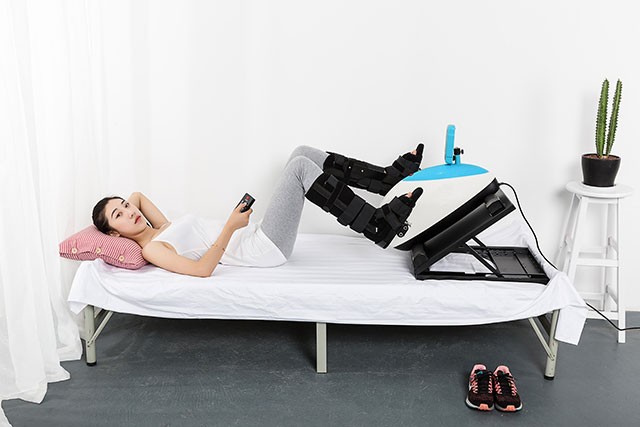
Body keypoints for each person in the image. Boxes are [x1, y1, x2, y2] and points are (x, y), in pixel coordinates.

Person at [92, 145, 424, 277]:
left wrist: (120, 211)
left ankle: (384, 179)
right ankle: (377, 226)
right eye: (119, 215)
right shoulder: (152, 249)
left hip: (254, 234)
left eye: (124, 206)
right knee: (299, 168)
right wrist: (230, 226)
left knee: (302, 153)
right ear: (113, 233)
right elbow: (202, 270)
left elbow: (137, 196)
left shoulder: (160, 227)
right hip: (260, 249)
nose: (130, 211)